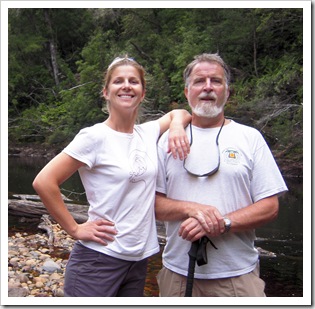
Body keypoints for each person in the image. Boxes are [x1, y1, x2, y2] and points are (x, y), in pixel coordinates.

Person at [32, 56, 191, 297]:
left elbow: (178, 113)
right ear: (106, 92)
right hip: (98, 259)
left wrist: (177, 126)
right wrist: (74, 229)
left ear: (142, 92)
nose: (127, 85)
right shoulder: (94, 137)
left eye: (133, 81)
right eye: (118, 81)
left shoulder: (147, 133)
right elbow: (44, 182)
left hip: (138, 259)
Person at [155, 53, 288, 297]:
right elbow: (153, 204)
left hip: (237, 277)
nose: (207, 87)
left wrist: (221, 223)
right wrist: (193, 209)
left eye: (215, 81)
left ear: (227, 91)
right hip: (177, 276)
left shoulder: (250, 138)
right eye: (199, 81)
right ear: (187, 92)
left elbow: (270, 207)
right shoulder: (166, 140)